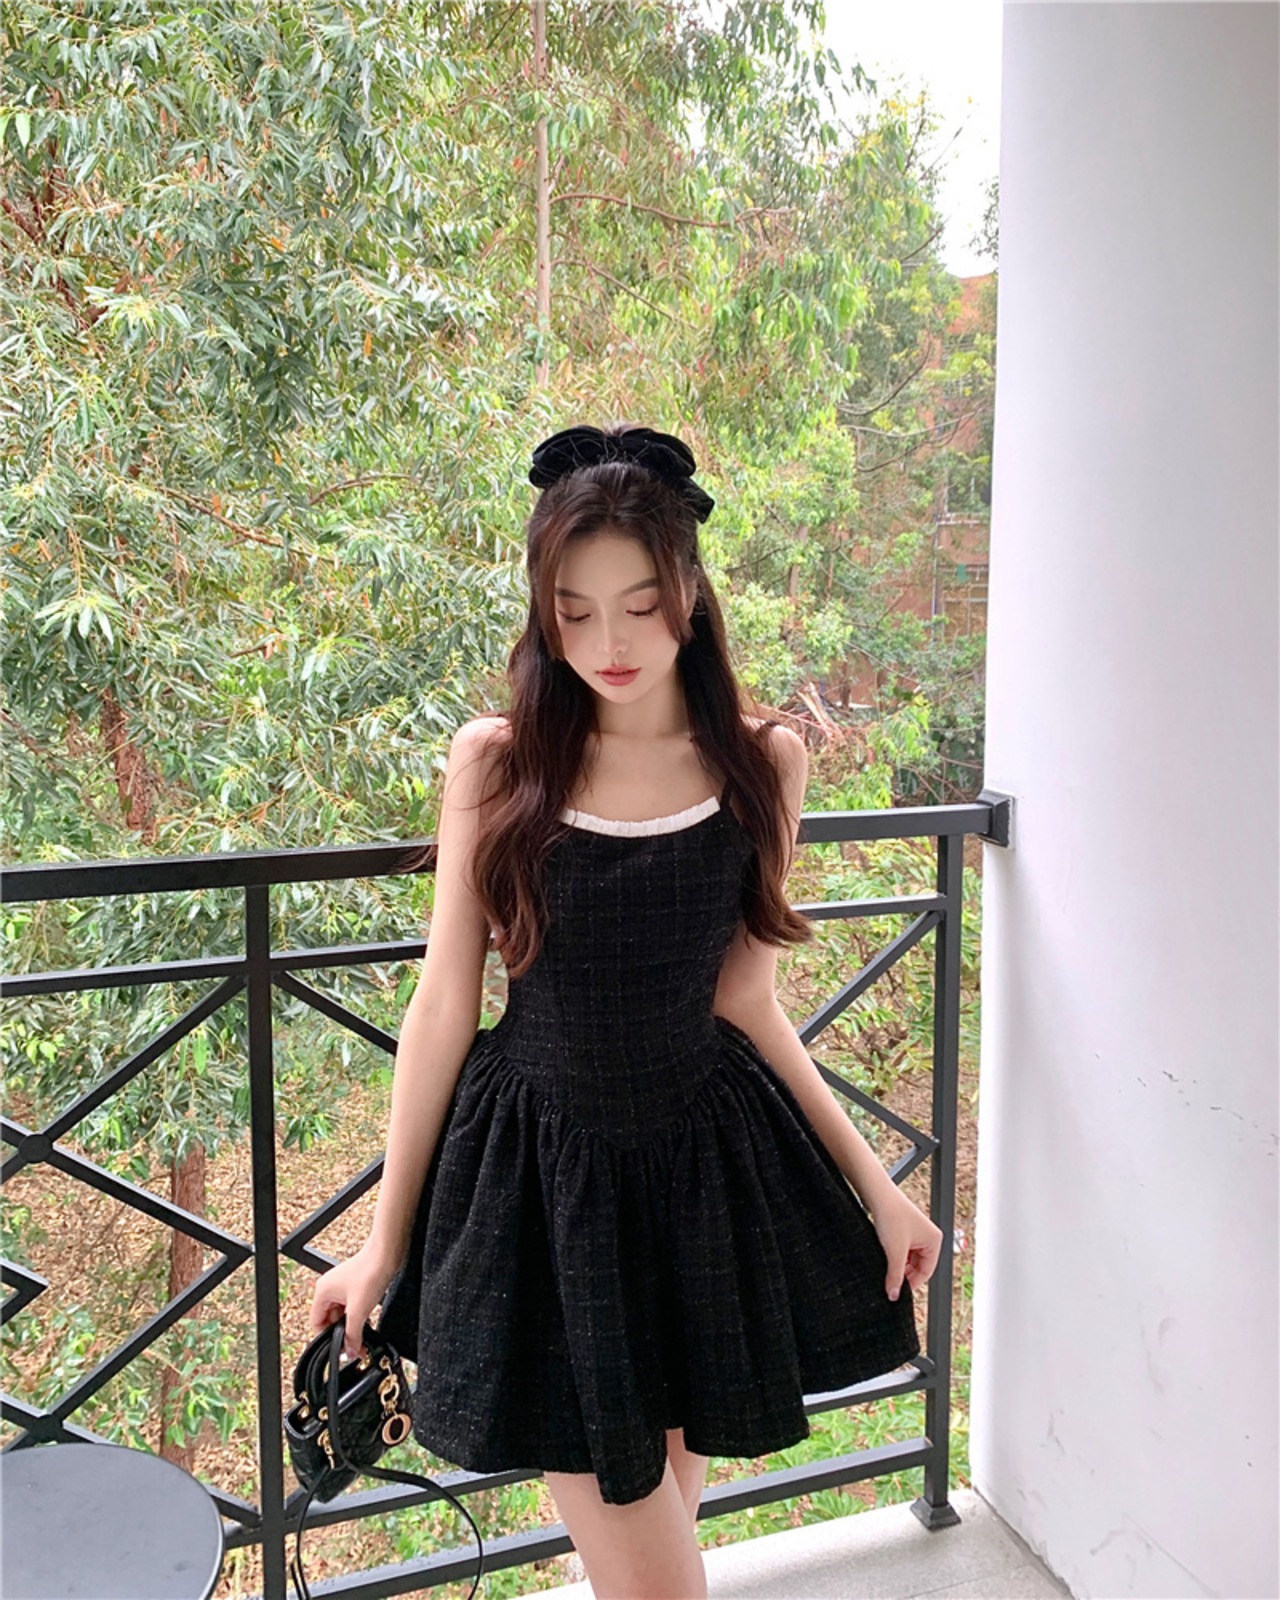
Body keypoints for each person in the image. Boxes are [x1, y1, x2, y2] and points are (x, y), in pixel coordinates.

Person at [308, 421, 945, 1600]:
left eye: (639, 606)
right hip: (542, 1187)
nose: (609, 642)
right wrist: (383, 1242)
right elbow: (444, 1002)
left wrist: (876, 1182)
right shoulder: (497, 761)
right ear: (543, 612)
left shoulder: (762, 761)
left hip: (700, 1179)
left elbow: (745, 996)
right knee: (658, 1580)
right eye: (575, 610)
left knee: (658, 1538)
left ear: (689, 597)